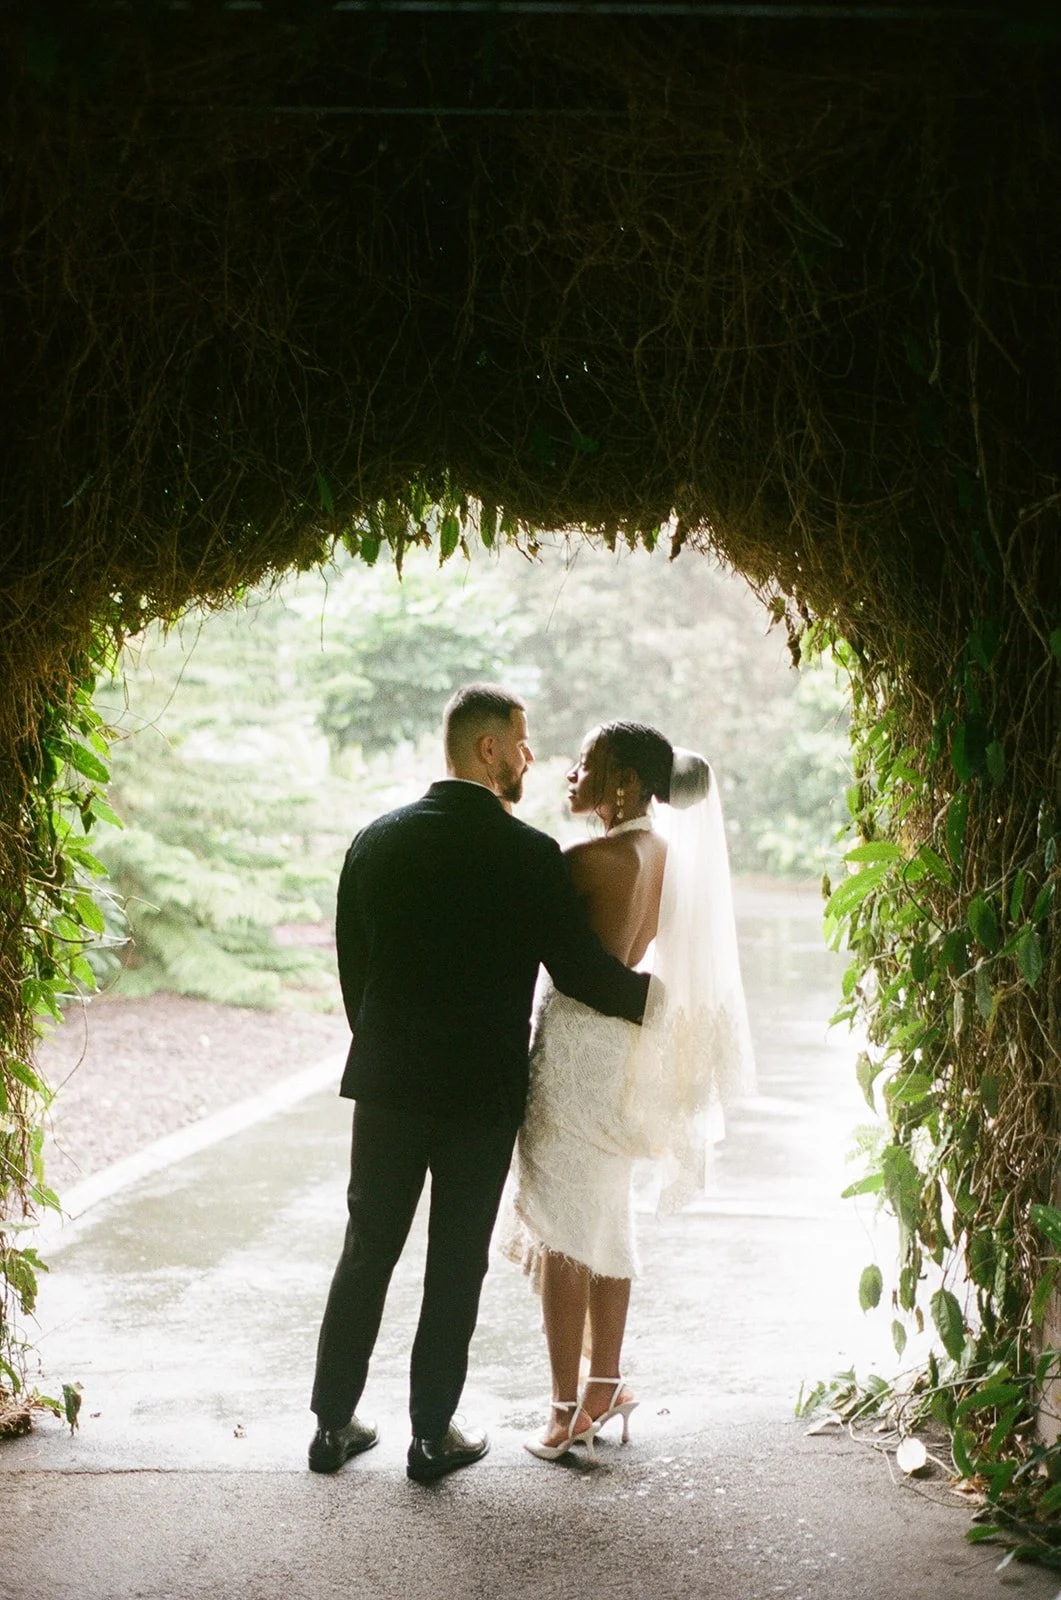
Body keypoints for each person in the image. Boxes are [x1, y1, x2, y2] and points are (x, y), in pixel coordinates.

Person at [308, 685, 651, 1482]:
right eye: (523, 742)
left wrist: (393, 1051)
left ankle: (331, 1428)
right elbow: (583, 973)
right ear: (488, 749)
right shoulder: (528, 855)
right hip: (479, 1097)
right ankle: (431, 1436)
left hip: (389, 1084)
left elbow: (354, 975)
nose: (532, 757)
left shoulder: (376, 841)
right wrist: (671, 1004)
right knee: (455, 1259)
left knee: (366, 1250)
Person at [502, 721, 755, 1463]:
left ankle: (560, 1412)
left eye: (585, 763)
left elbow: (541, 947)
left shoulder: (587, 858)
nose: (569, 772)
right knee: (606, 1219)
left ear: (621, 782)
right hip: (628, 1050)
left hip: (578, 1049)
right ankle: (603, 1383)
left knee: (558, 1233)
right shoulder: (667, 856)